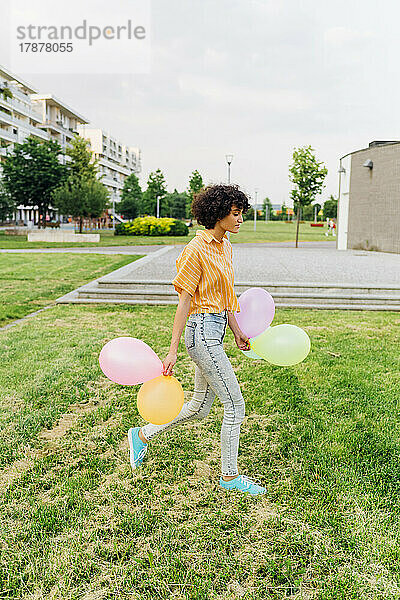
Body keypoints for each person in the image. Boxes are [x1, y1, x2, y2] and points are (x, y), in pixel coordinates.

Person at [128, 184, 267, 496]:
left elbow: (226, 295)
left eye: (241, 212)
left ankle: (142, 434)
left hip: (216, 329)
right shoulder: (195, 250)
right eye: (235, 213)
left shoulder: (225, 247)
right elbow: (185, 301)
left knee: (200, 407)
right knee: (234, 405)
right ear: (218, 215)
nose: (240, 219)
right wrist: (173, 349)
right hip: (201, 332)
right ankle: (230, 478)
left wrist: (236, 330)